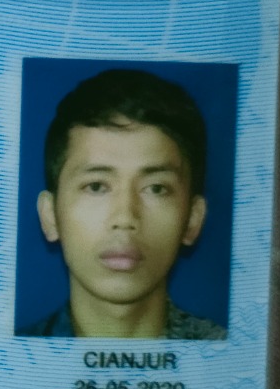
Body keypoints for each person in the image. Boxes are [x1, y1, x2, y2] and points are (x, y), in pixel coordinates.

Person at [19, 68, 226, 339]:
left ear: (192, 219)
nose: (125, 217)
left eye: (156, 188)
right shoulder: (6, 359)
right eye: (96, 186)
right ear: (50, 216)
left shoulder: (236, 356)